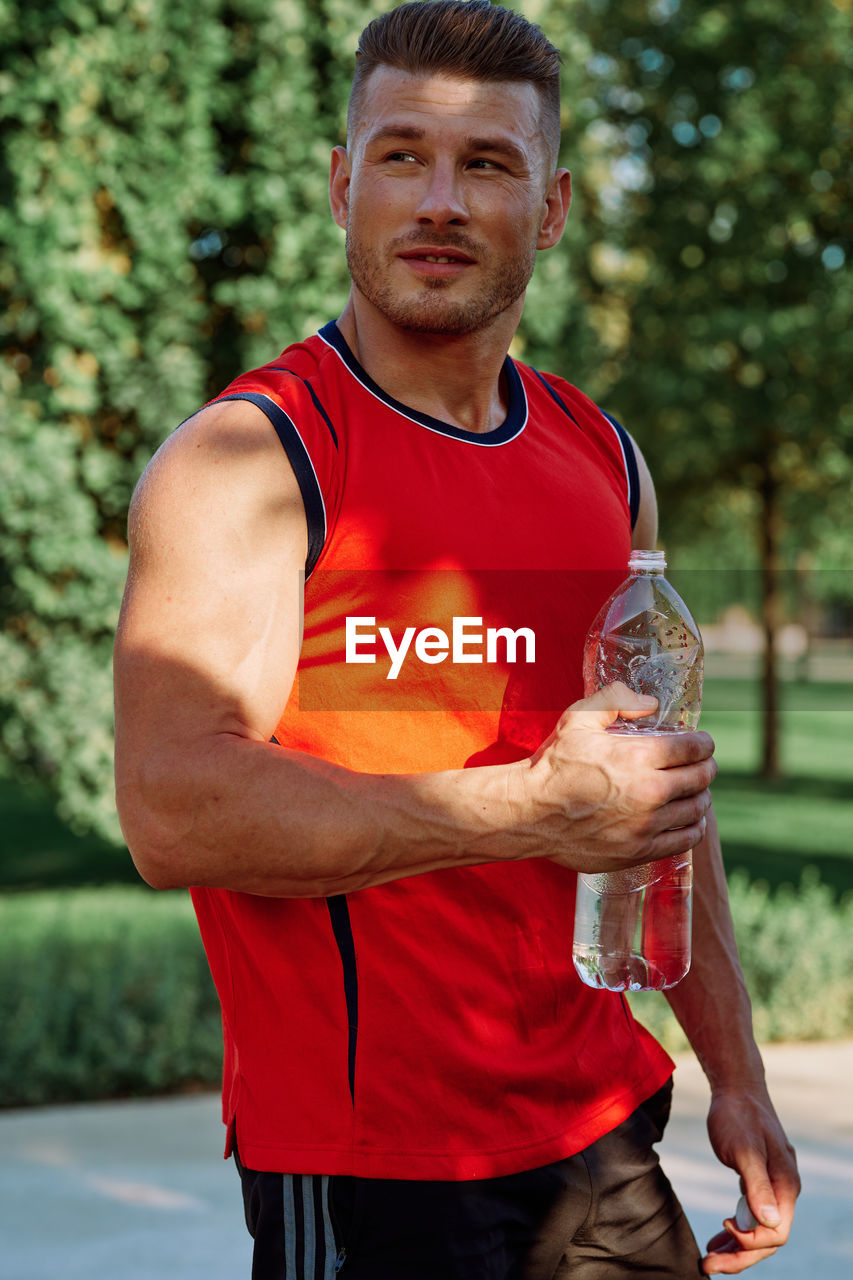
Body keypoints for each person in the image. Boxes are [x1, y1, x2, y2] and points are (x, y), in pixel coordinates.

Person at [113, 3, 799, 1276]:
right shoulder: (255, 458)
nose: (438, 200)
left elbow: (658, 791)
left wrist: (738, 1072)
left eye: (487, 164)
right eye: (401, 155)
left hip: (600, 1136)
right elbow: (173, 807)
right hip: (376, 1173)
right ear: (341, 182)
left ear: (551, 208)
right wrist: (528, 807)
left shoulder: (603, 453)